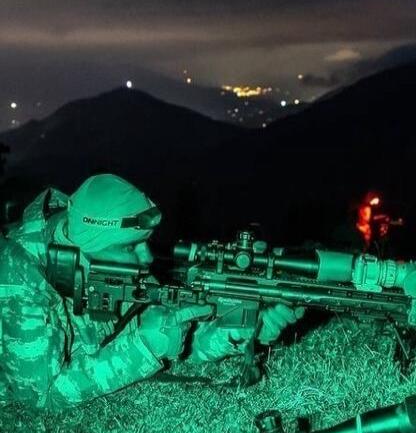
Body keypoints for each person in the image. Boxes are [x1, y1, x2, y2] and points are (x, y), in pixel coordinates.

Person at [0, 174, 299, 409]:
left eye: (145, 242)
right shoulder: (17, 278)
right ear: (82, 249)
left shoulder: (105, 262)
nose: (148, 258)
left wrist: (237, 331)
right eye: (130, 247)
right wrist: (144, 347)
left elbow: (178, 343)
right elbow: (40, 398)